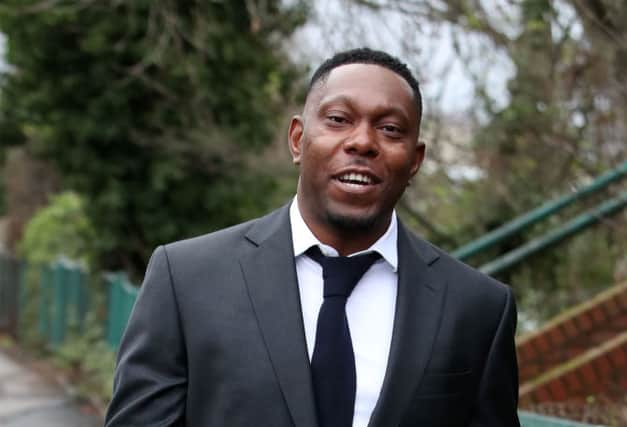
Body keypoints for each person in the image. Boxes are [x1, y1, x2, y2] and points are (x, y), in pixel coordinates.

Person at [105, 48, 520, 427]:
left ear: (415, 160)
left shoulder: (478, 308)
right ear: (298, 139)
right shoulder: (187, 279)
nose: (362, 142)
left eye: (390, 129)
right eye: (339, 120)